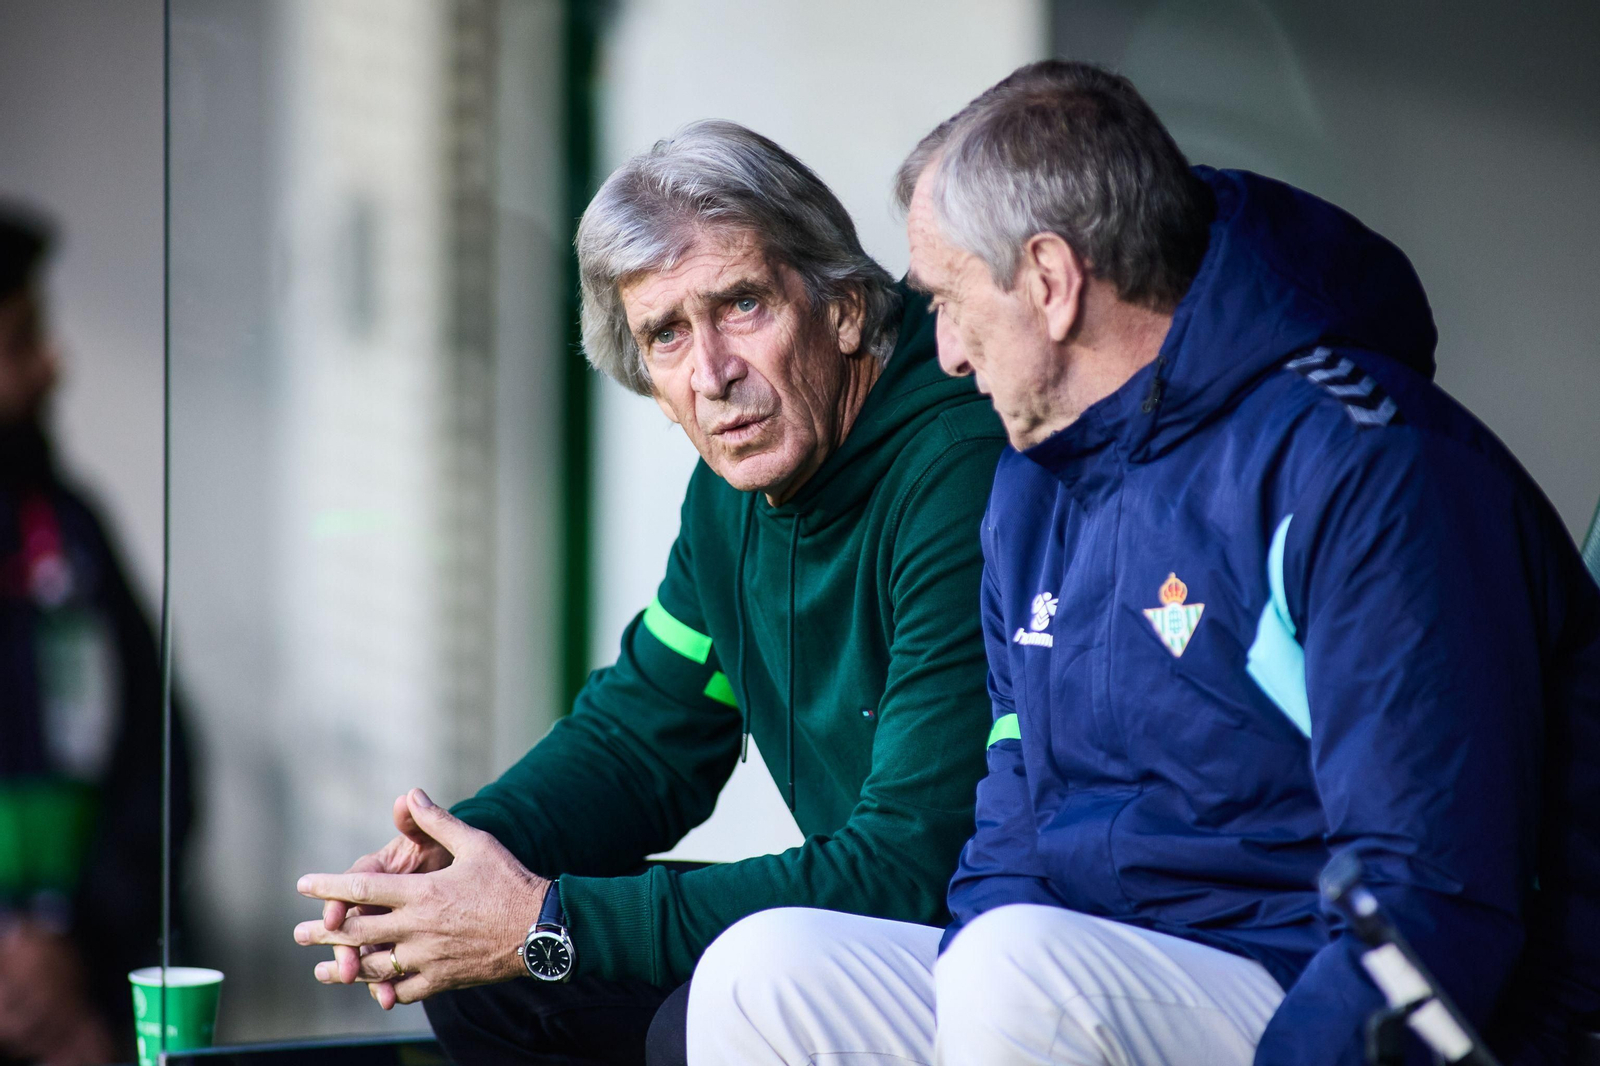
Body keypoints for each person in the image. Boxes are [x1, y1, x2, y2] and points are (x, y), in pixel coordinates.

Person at [686, 61, 1600, 1066]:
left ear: (1049, 280)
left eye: (948, 299)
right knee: (766, 969)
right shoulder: (1030, 485)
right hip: (1091, 977)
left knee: (1016, 968)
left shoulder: (1365, 467)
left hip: (1349, 1004)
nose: (944, 351)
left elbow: (1431, 899)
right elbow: (1010, 838)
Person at [291, 121, 1007, 1065]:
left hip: (983, 942)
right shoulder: (732, 492)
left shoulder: (957, 469)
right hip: (872, 923)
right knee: (502, 985)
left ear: (839, 306)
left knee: (673, 1009)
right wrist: (461, 865)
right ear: (648, 382)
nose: (713, 375)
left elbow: (911, 864)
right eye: (667, 334)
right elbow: (641, 741)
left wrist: (546, 916)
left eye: (742, 305)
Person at [0, 204, 195, 1065]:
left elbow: (161, 769)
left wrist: (73, 954)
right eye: (19, 341)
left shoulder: (69, 532)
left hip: (76, 994)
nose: (53, 364)